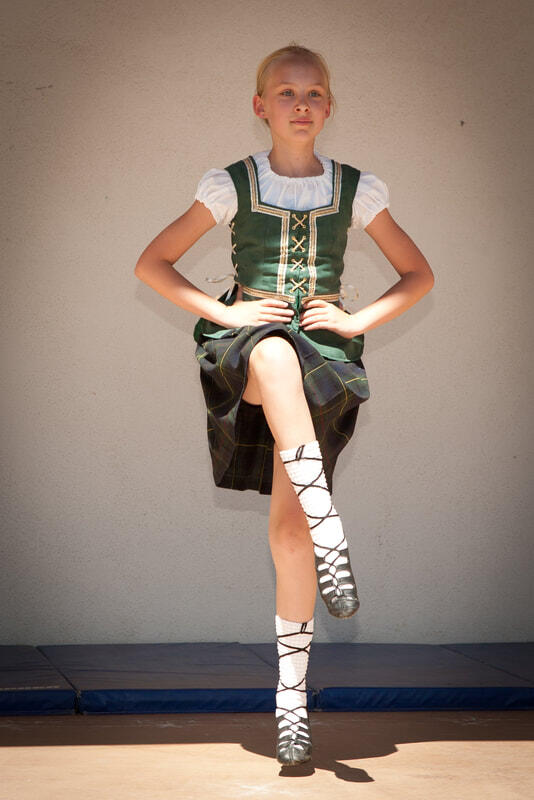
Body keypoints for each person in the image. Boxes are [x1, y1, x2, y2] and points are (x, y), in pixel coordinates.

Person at [134, 43, 435, 767]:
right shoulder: (231, 184)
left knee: (291, 533)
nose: (301, 104)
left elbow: (418, 274)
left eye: (314, 93)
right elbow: (152, 262)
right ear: (260, 105)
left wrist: (358, 321)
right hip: (248, 351)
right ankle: (333, 523)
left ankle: (292, 705)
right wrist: (224, 311)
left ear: (329, 106)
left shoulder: (357, 189)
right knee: (271, 351)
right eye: (286, 92)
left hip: (323, 360)